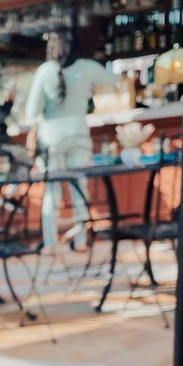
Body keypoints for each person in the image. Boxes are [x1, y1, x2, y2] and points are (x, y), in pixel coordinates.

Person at [25, 28, 121, 252]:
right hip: (78, 133)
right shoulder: (87, 67)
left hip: (51, 138)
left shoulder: (44, 71)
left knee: (52, 191)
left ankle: (50, 243)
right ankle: (80, 241)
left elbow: (31, 111)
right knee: (80, 187)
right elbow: (115, 80)